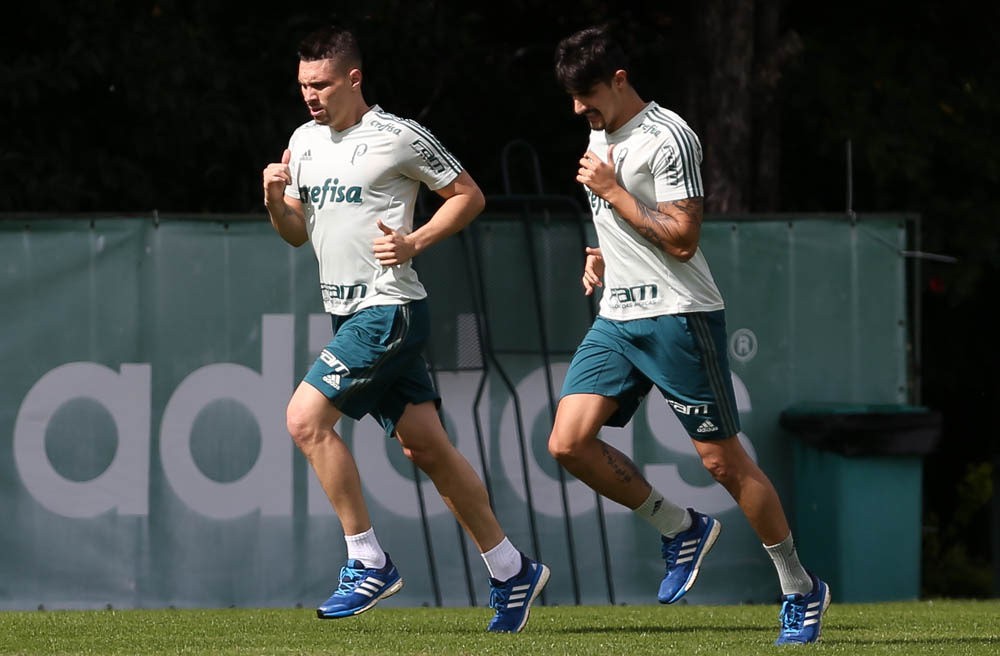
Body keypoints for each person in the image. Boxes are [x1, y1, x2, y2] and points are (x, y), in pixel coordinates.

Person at [261, 24, 548, 633]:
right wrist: (274, 201)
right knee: (426, 447)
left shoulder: (398, 136)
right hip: (348, 313)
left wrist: (415, 241)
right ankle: (511, 569)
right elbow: (296, 234)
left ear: (354, 78)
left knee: (305, 421)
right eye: (304, 85)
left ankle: (367, 561)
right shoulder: (303, 142)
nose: (310, 95)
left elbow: (468, 195)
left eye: (322, 84)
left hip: (388, 309)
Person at [549, 26, 830, 645]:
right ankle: (681, 528)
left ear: (619, 80)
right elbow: (628, 220)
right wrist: (603, 253)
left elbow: (681, 239)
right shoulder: (599, 131)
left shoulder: (669, 135)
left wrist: (613, 191)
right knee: (567, 443)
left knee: (722, 461)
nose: (578, 109)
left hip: (678, 314)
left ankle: (800, 587)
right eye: (572, 97)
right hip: (617, 319)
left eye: (587, 95)